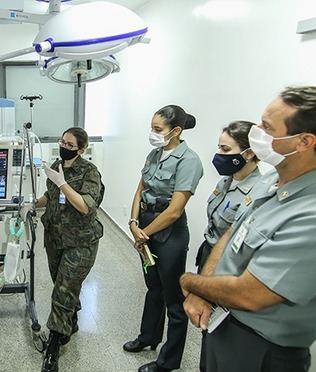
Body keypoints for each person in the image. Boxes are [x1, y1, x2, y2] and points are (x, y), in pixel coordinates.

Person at [180, 86, 316, 372]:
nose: (257, 132)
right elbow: (230, 235)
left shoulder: (309, 214)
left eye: (267, 127)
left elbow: (251, 294)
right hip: (223, 324)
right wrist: (204, 292)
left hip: (262, 350)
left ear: (304, 141)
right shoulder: (272, 182)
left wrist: (192, 283)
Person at [123, 105, 203, 372]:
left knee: (173, 298)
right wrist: (134, 223)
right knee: (153, 286)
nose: (153, 134)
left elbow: (174, 210)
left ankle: (168, 361)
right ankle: (148, 337)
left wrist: (145, 233)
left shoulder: (188, 161)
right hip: (146, 226)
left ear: (176, 131)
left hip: (169, 233)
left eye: (158, 130)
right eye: (152, 128)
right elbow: (140, 189)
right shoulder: (154, 154)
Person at [29, 127, 104, 372]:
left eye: (70, 145)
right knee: (61, 283)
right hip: (54, 238)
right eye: (62, 141)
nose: (64, 146)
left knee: (62, 290)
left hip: (80, 242)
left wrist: (62, 183)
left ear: (81, 150)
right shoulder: (56, 164)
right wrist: (32, 205)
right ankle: (70, 318)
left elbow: (85, 206)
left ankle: (53, 345)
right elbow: (50, 196)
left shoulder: (90, 172)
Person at [195, 121, 262, 371]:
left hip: (229, 269)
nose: (219, 156)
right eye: (219, 149)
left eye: (225, 149)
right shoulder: (226, 181)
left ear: (249, 153)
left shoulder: (257, 191)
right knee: (207, 328)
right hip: (209, 257)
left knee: (223, 334)